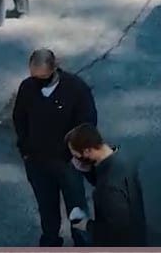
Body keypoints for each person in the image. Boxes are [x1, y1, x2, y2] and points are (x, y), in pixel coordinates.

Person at [15, 50, 99, 247]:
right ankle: (50, 242)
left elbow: (87, 125)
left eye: (43, 77)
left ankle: (82, 244)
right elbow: (19, 118)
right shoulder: (27, 87)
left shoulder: (76, 89)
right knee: (46, 208)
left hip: (67, 164)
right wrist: (25, 149)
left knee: (76, 208)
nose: (38, 82)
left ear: (54, 69)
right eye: (34, 77)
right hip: (37, 163)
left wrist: (75, 155)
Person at [66, 125, 146, 247]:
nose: (75, 159)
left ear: (87, 151)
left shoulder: (107, 188)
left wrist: (86, 225)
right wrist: (88, 171)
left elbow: (115, 231)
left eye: (76, 155)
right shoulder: (122, 156)